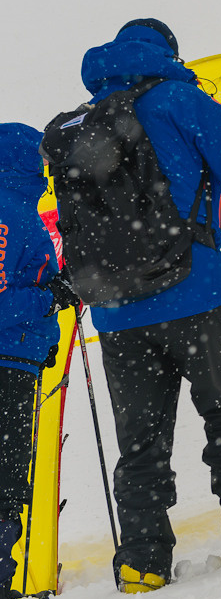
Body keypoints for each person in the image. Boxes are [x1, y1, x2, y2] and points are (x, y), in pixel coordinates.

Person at [59, 19, 221, 592]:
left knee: (139, 443)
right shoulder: (178, 97)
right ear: (169, 53)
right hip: (193, 293)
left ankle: (141, 561)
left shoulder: (78, 124)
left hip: (115, 313)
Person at [0, 124, 78, 599]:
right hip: (9, 360)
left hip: (20, 357)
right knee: (7, 479)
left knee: (9, 479)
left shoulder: (20, 206)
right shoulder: (10, 211)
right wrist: (50, 296)